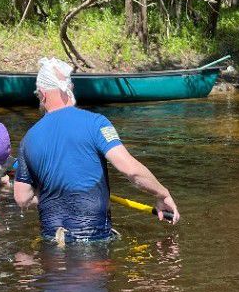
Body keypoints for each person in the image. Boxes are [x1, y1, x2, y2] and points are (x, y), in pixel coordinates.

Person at [13, 57, 179, 242]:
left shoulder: (28, 138)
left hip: (52, 240)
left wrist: (50, 195)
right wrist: (163, 194)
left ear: (43, 94)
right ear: (70, 88)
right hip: (93, 238)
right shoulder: (96, 123)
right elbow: (130, 170)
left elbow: (22, 198)